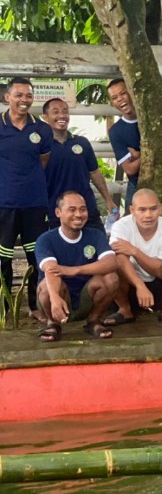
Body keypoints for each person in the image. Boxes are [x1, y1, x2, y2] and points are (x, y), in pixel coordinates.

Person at [0, 77, 53, 322]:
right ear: (7, 97)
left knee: (36, 258)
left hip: (34, 204)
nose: (24, 100)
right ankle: (5, 309)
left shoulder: (41, 129)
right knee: (3, 259)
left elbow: (43, 160)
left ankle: (35, 306)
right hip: (4, 205)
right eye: (19, 95)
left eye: (28, 95)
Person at [35, 191, 119, 342]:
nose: (79, 214)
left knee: (111, 278)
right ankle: (53, 324)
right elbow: (51, 270)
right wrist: (54, 298)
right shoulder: (45, 239)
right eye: (72, 210)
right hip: (60, 296)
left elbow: (111, 263)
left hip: (87, 296)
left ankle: (93, 321)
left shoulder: (95, 235)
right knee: (47, 288)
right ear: (58, 212)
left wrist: (75, 270)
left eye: (83, 209)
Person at [104, 188, 162, 325]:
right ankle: (124, 310)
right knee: (113, 263)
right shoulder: (120, 226)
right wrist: (140, 286)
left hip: (160, 283)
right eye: (142, 210)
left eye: (153, 209)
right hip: (129, 284)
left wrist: (134, 251)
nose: (148, 215)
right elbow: (120, 260)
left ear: (160, 209)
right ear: (132, 210)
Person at [42, 97, 117, 232]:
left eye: (65, 111)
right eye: (56, 112)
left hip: (86, 209)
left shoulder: (82, 143)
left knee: (99, 246)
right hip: (56, 211)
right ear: (45, 117)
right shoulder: (40, 146)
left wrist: (108, 200)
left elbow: (94, 172)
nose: (62, 115)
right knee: (63, 250)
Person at [107, 78, 141, 210]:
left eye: (123, 93)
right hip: (137, 183)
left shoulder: (153, 119)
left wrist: (138, 155)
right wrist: (147, 154)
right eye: (115, 97)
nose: (120, 99)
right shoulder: (116, 131)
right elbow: (130, 169)